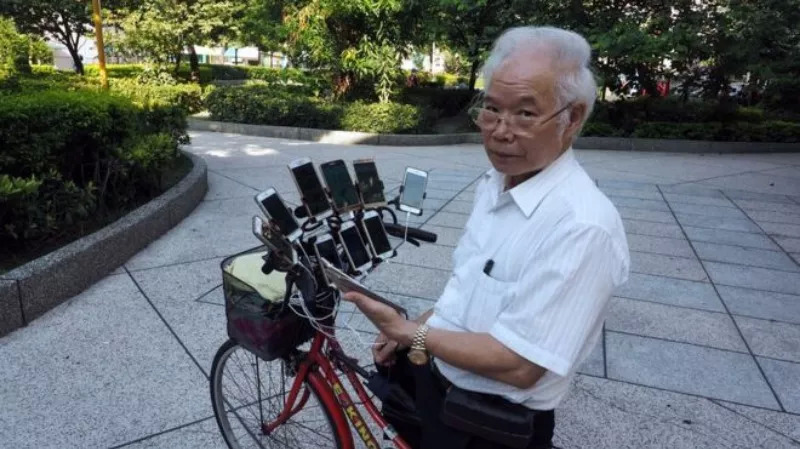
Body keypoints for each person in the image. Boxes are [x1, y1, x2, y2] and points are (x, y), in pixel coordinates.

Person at [344, 26, 630, 449]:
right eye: (492, 109)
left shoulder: (583, 227)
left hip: (488, 427)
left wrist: (409, 334)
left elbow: (519, 365)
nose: (500, 130)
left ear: (572, 118)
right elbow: (472, 287)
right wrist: (421, 323)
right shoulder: (496, 181)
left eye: (525, 114)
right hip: (439, 387)